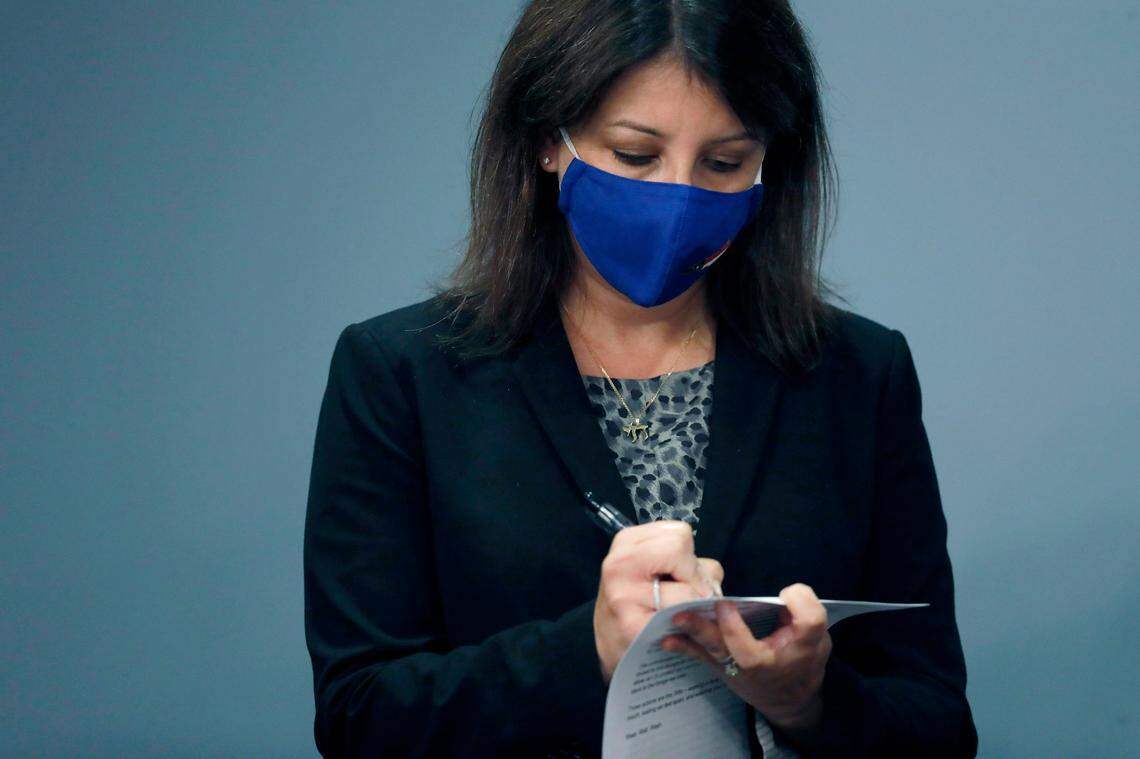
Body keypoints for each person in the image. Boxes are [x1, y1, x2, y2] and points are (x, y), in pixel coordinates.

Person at [302, 1, 978, 756]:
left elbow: (939, 725)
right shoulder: (401, 372)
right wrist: (584, 651)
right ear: (547, 139)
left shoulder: (859, 374)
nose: (677, 197)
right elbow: (359, 718)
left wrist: (810, 701)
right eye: (634, 154)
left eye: (723, 163)